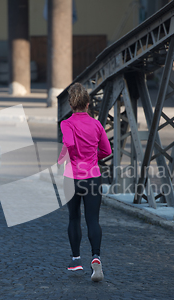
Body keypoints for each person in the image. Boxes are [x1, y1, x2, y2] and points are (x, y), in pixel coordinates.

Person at [57, 82, 112, 282]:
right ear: (88, 104)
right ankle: (96, 258)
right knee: (93, 220)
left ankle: (76, 261)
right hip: (92, 177)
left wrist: (62, 158)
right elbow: (107, 151)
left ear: (71, 105)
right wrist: (90, 159)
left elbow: (69, 143)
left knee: (74, 218)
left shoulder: (66, 123)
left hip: (72, 178)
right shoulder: (96, 124)